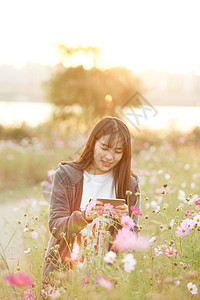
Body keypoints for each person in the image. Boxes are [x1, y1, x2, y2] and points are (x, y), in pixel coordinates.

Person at [43, 116, 141, 277]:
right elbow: (56, 226)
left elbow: (132, 241)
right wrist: (84, 217)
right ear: (93, 142)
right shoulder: (67, 175)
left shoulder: (130, 184)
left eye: (117, 151)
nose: (109, 157)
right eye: (104, 147)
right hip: (65, 273)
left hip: (108, 276)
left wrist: (124, 223)